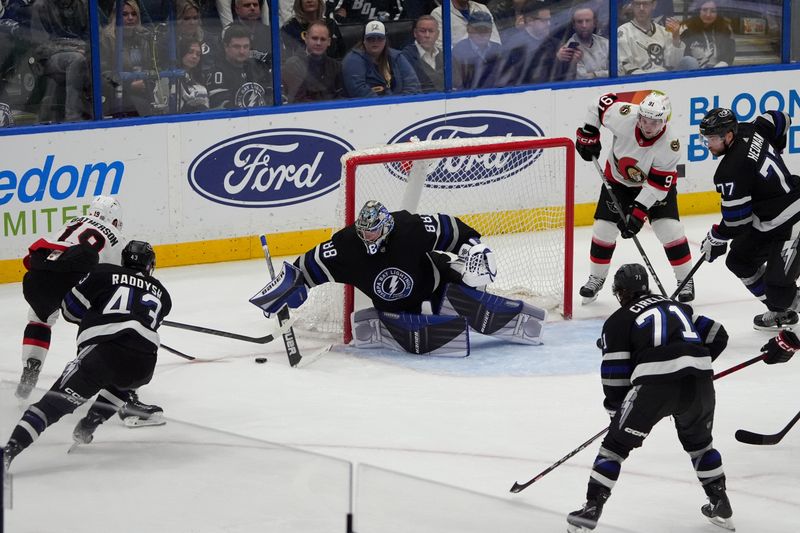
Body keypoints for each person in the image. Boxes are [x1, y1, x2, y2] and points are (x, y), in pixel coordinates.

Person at [249, 200, 546, 355]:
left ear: (387, 226)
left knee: (465, 285)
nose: (368, 236)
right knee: (406, 322)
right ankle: (386, 324)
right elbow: (310, 264)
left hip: (435, 282)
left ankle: (463, 303)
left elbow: (450, 228)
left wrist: (473, 248)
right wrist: (291, 283)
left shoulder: (409, 226)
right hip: (395, 306)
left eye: (374, 230)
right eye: (364, 231)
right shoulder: (346, 246)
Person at [566, 263, 733, 533]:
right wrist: (693, 366)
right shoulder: (679, 307)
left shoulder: (617, 321)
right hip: (700, 384)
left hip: (654, 387)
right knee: (701, 446)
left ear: (622, 292)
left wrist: (617, 414)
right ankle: (720, 502)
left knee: (614, 448)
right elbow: (718, 335)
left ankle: (591, 509)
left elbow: (615, 376)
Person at [3, 241, 172, 469]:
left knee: (49, 408)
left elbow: (70, 311)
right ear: (150, 266)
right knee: (123, 380)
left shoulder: (102, 273)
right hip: (145, 362)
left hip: (102, 353)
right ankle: (91, 422)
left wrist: (95, 313)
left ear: (123, 260)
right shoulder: (163, 294)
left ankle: (8, 453)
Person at [15, 195, 165, 426]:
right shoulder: (117, 236)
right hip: (74, 278)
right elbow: (122, 281)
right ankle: (125, 399)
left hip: (37, 278)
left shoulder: (73, 222)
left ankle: (31, 363)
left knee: (40, 318)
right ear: (114, 220)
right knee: (107, 331)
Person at [575, 90, 695, 304]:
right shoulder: (624, 116)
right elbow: (597, 104)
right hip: (618, 182)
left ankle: (685, 280)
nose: (647, 126)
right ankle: (597, 278)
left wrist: (638, 213)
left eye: (654, 122)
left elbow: (657, 186)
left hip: (653, 185)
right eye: (644, 119)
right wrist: (589, 132)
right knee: (603, 229)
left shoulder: (670, 145)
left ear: (664, 122)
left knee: (669, 229)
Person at [698, 107, 800, 331]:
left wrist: (716, 237)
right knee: (739, 260)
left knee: (779, 291)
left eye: (713, 138)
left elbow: (737, 223)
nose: (708, 144)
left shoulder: (730, 170)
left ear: (729, 135)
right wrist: (777, 147)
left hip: (794, 219)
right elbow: (780, 118)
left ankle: (782, 305)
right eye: (705, 138)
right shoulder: (750, 128)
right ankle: (780, 313)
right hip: (771, 220)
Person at [99, 0, 157, 117]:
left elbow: (152, 69)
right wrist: (128, 85)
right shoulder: (106, 39)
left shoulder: (144, 37)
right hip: (113, 97)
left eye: (134, 14)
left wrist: (147, 81)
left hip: (142, 93)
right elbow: (102, 75)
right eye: (124, 14)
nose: (130, 18)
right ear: (116, 16)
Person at [341, 20, 420, 98]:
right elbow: (358, 91)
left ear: (385, 40)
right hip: (369, 107)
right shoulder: (352, 60)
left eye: (379, 38)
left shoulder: (397, 56)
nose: (375, 42)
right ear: (364, 41)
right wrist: (385, 104)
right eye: (370, 38)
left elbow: (412, 83)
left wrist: (402, 102)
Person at [205, 23, 273, 108]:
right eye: (236, 47)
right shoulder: (218, 73)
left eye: (246, 46)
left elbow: (271, 97)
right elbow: (222, 107)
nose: (242, 51)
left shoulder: (256, 68)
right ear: (226, 47)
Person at [498, 1, 562, 87]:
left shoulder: (555, 43)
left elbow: (563, 76)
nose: (549, 24)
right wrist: (555, 59)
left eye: (549, 19)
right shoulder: (515, 45)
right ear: (530, 20)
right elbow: (517, 76)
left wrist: (568, 61)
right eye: (544, 21)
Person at [617, 0, 688, 75]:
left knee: (689, 62)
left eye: (645, 4)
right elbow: (625, 66)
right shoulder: (623, 32)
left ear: (653, 4)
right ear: (632, 5)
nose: (641, 8)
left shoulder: (663, 31)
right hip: (640, 82)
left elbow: (673, 64)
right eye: (637, 4)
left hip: (667, 80)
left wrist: (676, 37)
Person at [282, 20, 344, 102]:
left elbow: (341, 96)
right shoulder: (292, 65)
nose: (318, 43)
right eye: (314, 38)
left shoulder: (336, 66)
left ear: (329, 42)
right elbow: (296, 100)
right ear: (306, 38)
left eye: (323, 39)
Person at [451, 11, 503, 90]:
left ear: (491, 30)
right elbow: (458, 85)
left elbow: (504, 79)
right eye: (477, 29)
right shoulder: (458, 52)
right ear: (468, 29)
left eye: (486, 29)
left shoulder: (498, 50)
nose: (482, 33)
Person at [558, 4, 609, 80]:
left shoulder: (605, 43)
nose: (584, 25)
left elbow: (619, 71)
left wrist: (593, 74)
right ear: (573, 25)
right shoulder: (569, 50)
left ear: (595, 23)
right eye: (579, 21)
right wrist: (606, 73)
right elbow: (582, 78)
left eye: (587, 21)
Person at [280, 0, 345, 60]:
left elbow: (342, 53)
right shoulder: (290, 27)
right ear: (299, 2)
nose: (309, 1)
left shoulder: (330, 24)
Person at [680, 0, 735, 69]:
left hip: (717, 73)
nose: (708, 14)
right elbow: (683, 58)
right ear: (698, 11)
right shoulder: (686, 29)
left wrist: (719, 68)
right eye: (704, 10)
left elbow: (729, 57)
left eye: (713, 11)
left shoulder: (725, 30)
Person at [431, 0, 502, 49]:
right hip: (457, 64)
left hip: (486, 61)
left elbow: (495, 40)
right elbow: (440, 47)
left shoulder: (482, 8)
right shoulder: (439, 13)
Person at [401, 15, 444, 93]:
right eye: (423, 31)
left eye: (431, 31)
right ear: (415, 33)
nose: (427, 35)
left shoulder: (444, 56)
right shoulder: (405, 57)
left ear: (437, 34)